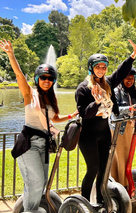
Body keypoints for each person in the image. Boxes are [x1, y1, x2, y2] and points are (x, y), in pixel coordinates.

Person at [0, 39, 78, 212]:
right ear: (37, 78)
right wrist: (11, 55)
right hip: (29, 144)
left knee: (41, 183)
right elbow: (19, 75)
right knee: (34, 183)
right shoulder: (30, 94)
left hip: (44, 144)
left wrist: (71, 115)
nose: (46, 80)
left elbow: (54, 119)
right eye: (43, 77)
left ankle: (30, 209)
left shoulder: (51, 99)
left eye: (50, 78)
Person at [75, 39, 136, 203]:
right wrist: (96, 103)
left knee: (104, 170)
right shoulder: (83, 88)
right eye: (98, 67)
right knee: (93, 169)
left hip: (104, 133)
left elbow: (120, 72)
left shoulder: (108, 83)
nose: (102, 70)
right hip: (88, 135)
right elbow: (84, 113)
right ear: (91, 68)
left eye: (104, 67)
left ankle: (101, 201)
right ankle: (84, 202)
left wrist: (132, 56)